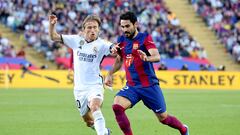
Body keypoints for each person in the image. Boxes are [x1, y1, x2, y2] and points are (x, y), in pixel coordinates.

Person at [105, 11, 189, 135]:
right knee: (117, 106)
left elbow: (157, 56)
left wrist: (146, 58)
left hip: (149, 86)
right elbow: (119, 60)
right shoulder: (121, 40)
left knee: (163, 118)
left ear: (135, 24)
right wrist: (110, 73)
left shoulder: (145, 38)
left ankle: (183, 129)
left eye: (127, 26)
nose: (124, 29)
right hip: (132, 86)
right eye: (122, 26)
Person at [49, 14, 112, 135]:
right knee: (88, 121)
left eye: (95, 27)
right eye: (89, 27)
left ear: (99, 29)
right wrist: (52, 25)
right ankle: (104, 131)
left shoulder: (102, 44)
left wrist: (115, 49)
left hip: (95, 85)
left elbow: (115, 48)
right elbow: (53, 36)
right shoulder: (75, 40)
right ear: (84, 30)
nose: (92, 30)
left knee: (95, 107)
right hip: (79, 89)